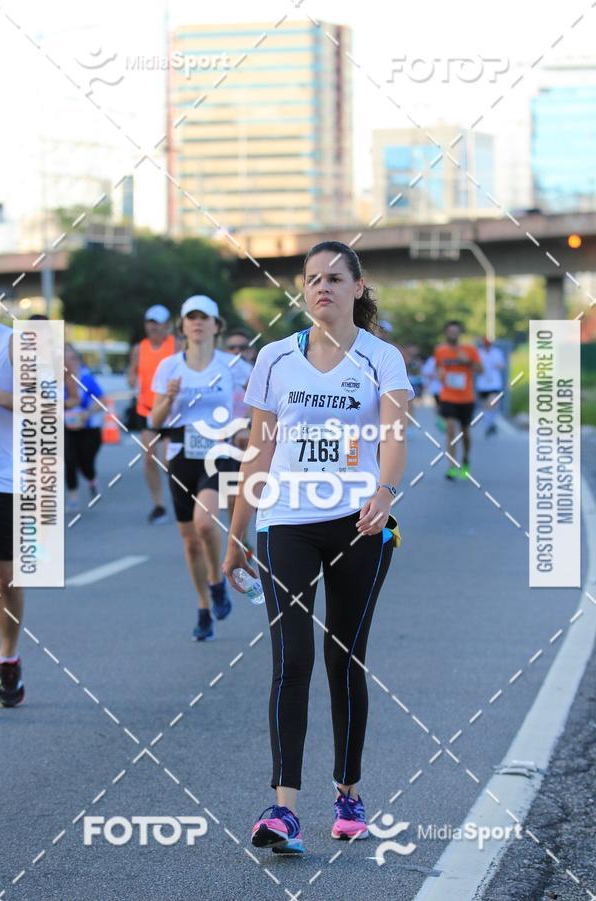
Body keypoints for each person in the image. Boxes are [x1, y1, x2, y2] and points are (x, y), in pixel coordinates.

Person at [222, 241, 413, 855]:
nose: (321, 288)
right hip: (288, 524)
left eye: (334, 278)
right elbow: (260, 449)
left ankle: (349, 794)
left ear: (358, 287)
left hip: (359, 524)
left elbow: (393, 437)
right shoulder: (276, 358)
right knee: (292, 659)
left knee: (344, 658)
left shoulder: (382, 358)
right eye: (311, 279)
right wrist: (237, 533)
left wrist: (384, 492)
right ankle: (283, 811)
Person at [150, 296, 252, 642]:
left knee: (205, 521)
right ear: (182, 325)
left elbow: (259, 402)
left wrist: (244, 427)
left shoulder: (232, 365)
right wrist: (167, 397)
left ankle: (217, 580)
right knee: (190, 542)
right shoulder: (169, 367)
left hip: (218, 451)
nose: (197, 323)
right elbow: (154, 419)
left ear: (216, 325)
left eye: (204, 318)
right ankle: (204, 606)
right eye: (190, 318)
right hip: (180, 452)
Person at [0, 321, 25, 707]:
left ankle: (8, 657)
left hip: (4, 479)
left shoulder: (13, 341)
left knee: (6, 577)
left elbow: (44, 403)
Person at [128, 305, 178, 524]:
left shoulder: (176, 345)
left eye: (158, 323)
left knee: (170, 460)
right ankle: (159, 505)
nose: (153, 327)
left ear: (167, 325)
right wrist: (132, 380)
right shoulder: (140, 349)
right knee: (149, 459)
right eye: (150, 322)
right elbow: (132, 374)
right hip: (147, 410)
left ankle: (181, 497)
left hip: (170, 410)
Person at [434, 321, 483, 480]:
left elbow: (481, 370)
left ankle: (466, 459)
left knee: (465, 433)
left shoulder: (469, 350)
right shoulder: (440, 351)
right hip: (448, 396)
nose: (453, 334)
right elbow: (438, 369)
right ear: (447, 333)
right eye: (450, 332)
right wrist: (440, 374)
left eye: (456, 332)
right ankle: (452, 466)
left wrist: (467, 361)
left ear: (459, 333)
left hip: (466, 397)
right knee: (450, 430)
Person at [64, 344, 105, 512]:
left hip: (89, 428)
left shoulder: (86, 378)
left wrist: (86, 414)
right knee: (69, 460)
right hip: (66, 428)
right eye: (64, 359)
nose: (69, 362)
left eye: (72, 358)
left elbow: (101, 400)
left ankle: (92, 479)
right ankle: (73, 496)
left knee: (85, 463)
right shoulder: (54, 379)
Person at [477, 338, 506, 436]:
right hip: (483, 384)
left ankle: (491, 423)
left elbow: (502, 365)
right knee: (485, 406)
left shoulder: (497, 353)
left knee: (493, 404)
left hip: (494, 383)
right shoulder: (479, 353)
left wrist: (497, 365)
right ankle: (489, 424)